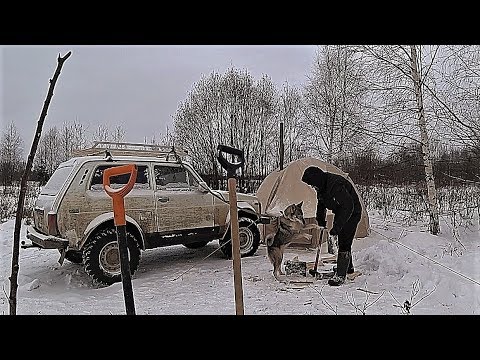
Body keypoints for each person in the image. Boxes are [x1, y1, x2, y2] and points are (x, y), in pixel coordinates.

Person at [301, 166, 362, 286]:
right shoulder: (322, 186)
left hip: (352, 213)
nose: (313, 187)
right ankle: (347, 268)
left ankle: (340, 275)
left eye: (312, 184)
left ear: (317, 179)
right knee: (343, 241)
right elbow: (321, 203)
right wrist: (320, 219)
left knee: (345, 240)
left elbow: (348, 206)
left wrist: (337, 226)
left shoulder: (335, 185)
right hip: (342, 211)